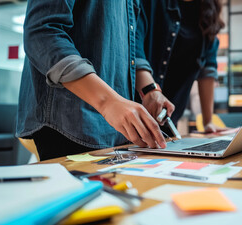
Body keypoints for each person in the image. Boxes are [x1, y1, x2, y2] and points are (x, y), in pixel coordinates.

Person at [16, 0, 167, 161]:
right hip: (68, 122)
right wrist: (107, 101)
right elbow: (42, 32)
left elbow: (132, 45)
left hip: (113, 129)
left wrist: (150, 89)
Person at [135, 0, 226, 133]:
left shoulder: (208, 11)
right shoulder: (152, 3)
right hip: (136, 111)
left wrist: (208, 122)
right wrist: (150, 91)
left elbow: (208, 70)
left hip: (169, 120)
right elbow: (135, 49)